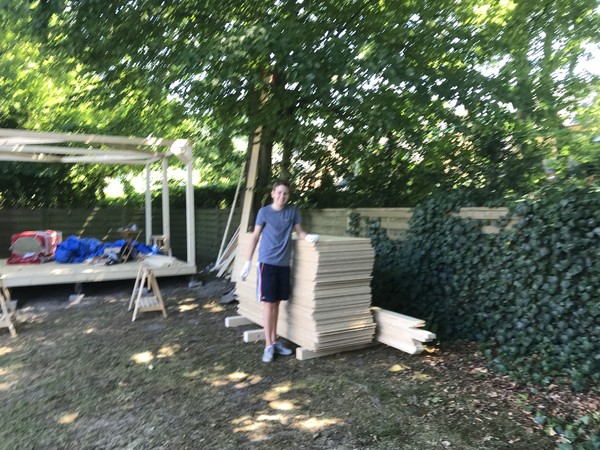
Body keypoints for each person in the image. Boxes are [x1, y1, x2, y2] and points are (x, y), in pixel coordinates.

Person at [240, 180, 319, 362]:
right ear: (273, 193)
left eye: (286, 194)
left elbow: (299, 233)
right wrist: (247, 261)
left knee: (276, 303)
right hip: (267, 263)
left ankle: (274, 341)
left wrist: (308, 238)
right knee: (268, 304)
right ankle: (268, 345)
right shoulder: (264, 212)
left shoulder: (291, 211)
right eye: (279, 193)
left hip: (284, 264)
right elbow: (254, 236)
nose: (282, 196)